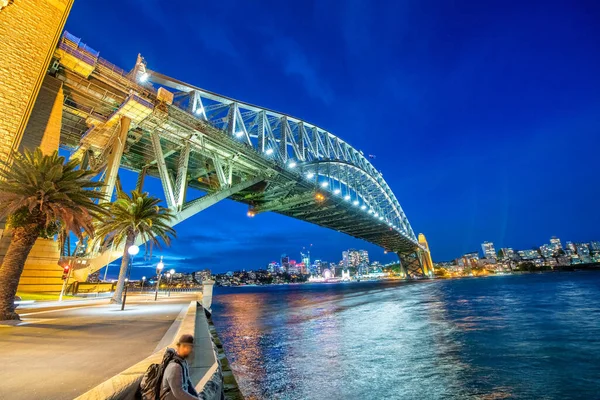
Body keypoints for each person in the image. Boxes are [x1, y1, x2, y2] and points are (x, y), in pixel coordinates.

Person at [161, 334, 199, 400]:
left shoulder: (183, 361)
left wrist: (197, 397)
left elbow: (188, 383)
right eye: (184, 346)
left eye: (189, 347)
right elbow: (178, 393)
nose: (186, 349)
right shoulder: (175, 367)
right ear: (178, 346)